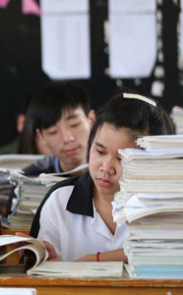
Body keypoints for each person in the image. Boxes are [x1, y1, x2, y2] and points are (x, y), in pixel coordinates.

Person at [29, 91, 176, 261]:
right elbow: (42, 274)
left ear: (154, 162)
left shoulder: (169, 206)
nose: (106, 168)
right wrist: (47, 263)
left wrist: (94, 260)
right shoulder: (60, 201)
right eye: (100, 151)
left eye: (122, 159)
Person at [22, 81, 95, 176]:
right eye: (53, 132)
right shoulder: (32, 179)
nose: (67, 138)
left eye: (74, 125)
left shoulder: (116, 168)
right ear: (41, 136)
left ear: (91, 120)